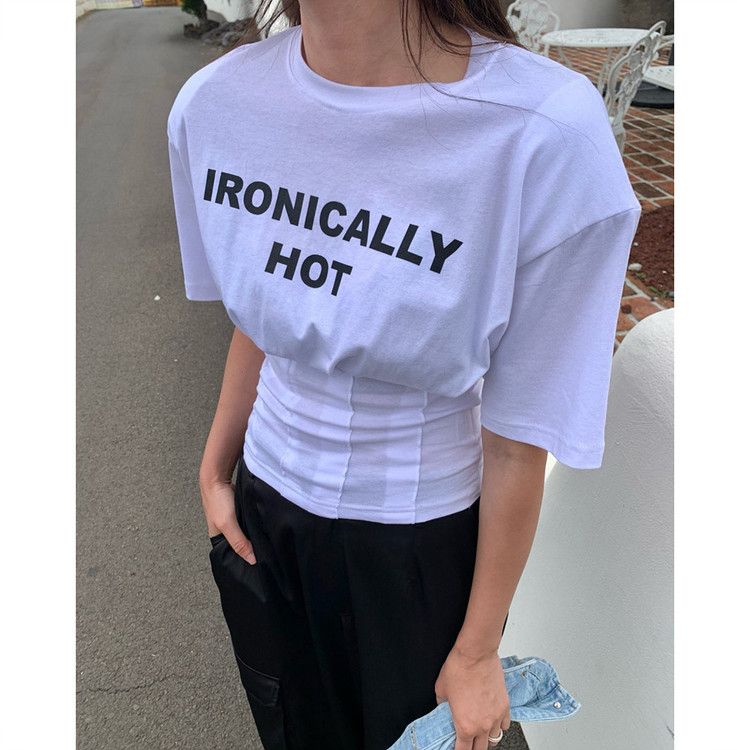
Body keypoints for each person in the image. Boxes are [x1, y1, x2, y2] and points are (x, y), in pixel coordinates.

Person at [167, 1, 642, 749]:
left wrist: (478, 649)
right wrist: (213, 468)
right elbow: (269, 309)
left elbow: (519, 436)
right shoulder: (215, 104)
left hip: (422, 545)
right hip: (264, 510)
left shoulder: (544, 131)